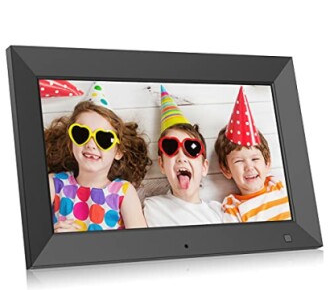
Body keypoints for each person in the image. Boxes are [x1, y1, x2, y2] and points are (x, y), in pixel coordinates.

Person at [45, 82, 152, 232]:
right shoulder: (53, 184)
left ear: (118, 151)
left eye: (103, 138)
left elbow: (140, 245)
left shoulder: (124, 192)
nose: (91, 144)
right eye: (81, 134)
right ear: (70, 142)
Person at [143, 86, 223, 227]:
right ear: (161, 165)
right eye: (171, 148)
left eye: (191, 149)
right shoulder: (152, 207)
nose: (181, 158)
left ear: (204, 167)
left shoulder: (218, 213)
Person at [214, 86, 291, 223]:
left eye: (255, 158)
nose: (249, 167)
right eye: (238, 161)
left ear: (267, 163)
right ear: (226, 169)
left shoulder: (280, 186)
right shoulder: (233, 206)